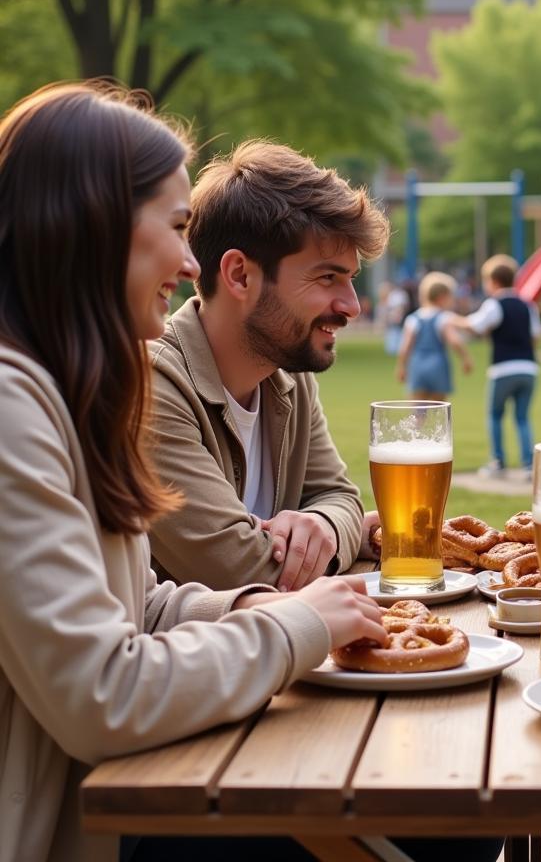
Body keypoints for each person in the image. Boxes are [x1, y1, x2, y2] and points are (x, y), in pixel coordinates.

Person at [0, 82, 388, 862]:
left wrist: (259, 601)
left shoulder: (66, 390)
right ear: (94, 227)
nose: (188, 259)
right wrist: (296, 620)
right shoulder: (14, 406)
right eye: (176, 228)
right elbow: (101, 693)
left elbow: (136, 602)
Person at [147, 141, 385, 593]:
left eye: (351, 280)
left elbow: (341, 499)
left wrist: (326, 529)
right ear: (239, 275)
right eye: (327, 277)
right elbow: (240, 570)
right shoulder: (152, 388)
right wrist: (343, 542)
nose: (351, 306)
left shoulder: (287, 374)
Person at [450, 253, 541, 477]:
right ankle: (529, 464)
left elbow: (475, 326)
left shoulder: (494, 304)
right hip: (528, 368)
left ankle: (497, 461)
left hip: (503, 369)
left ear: (492, 281)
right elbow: (536, 335)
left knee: (495, 415)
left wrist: (451, 318)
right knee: (522, 417)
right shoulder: (527, 305)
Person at [397, 270, 472, 399]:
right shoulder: (443, 318)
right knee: (439, 410)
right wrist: (465, 358)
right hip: (438, 366)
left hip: (417, 365)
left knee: (418, 412)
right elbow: (454, 341)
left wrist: (402, 366)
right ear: (442, 297)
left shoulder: (413, 319)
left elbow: (405, 347)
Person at [382, 279, 411, 355]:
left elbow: (404, 307)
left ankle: (397, 348)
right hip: (393, 315)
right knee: (393, 332)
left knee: (399, 332)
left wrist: (399, 314)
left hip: (399, 316)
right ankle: (392, 348)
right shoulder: (394, 294)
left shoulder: (401, 294)